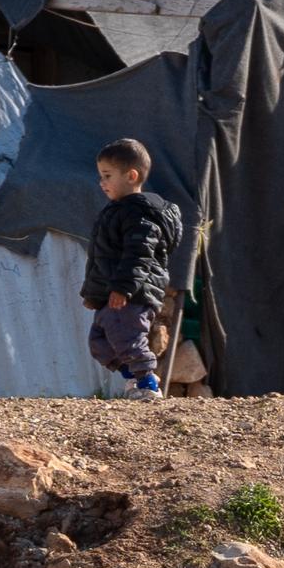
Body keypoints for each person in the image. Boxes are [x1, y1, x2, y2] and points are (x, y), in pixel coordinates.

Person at [84, 136, 186, 393]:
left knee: (127, 338)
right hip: (112, 293)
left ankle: (147, 383)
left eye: (107, 176)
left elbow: (138, 254)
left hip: (132, 293)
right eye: (101, 176)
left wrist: (124, 288)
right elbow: (102, 256)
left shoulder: (140, 215)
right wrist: (93, 294)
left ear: (131, 176)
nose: (101, 182)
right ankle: (135, 377)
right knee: (99, 342)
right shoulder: (116, 211)